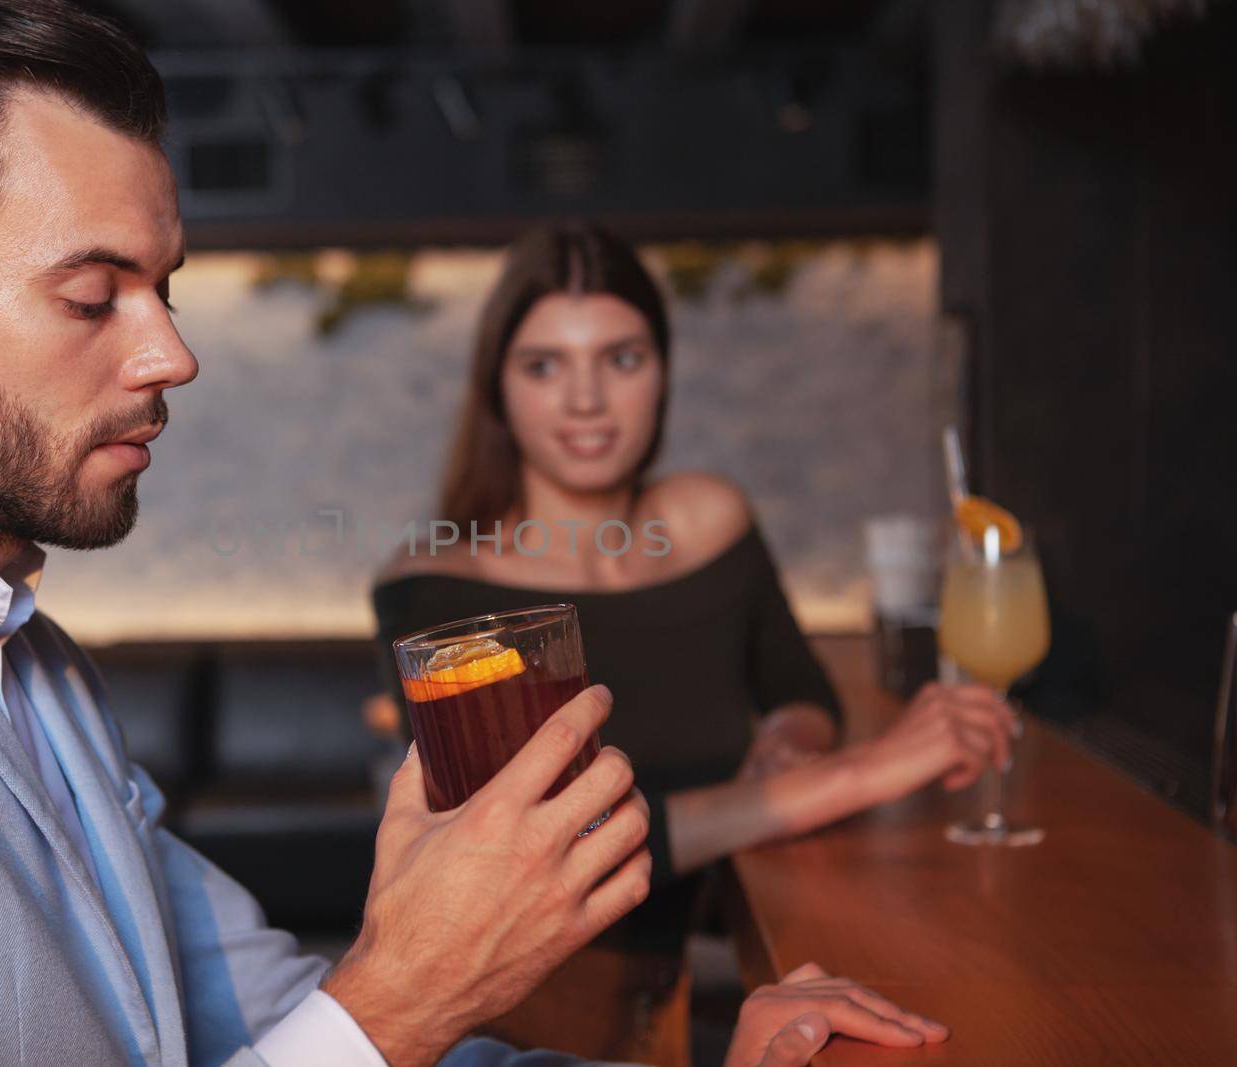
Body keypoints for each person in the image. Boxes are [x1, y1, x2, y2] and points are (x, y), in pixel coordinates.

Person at [0, 4, 947, 1065]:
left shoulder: (22, 655)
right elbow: (358, 1029)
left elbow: (269, 1009)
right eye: (93, 295)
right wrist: (395, 1004)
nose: (173, 352)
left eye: (164, 289)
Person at [372, 223, 1015, 1061]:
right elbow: (548, 850)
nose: (586, 400)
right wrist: (856, 774)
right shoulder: (433, 591)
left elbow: (799, 685)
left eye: (623, 358)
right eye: (544, 365)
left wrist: (793, 740)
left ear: (664, 372)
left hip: (690, 988)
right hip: (518, 1024)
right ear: (497, 388)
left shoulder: (710, 519)